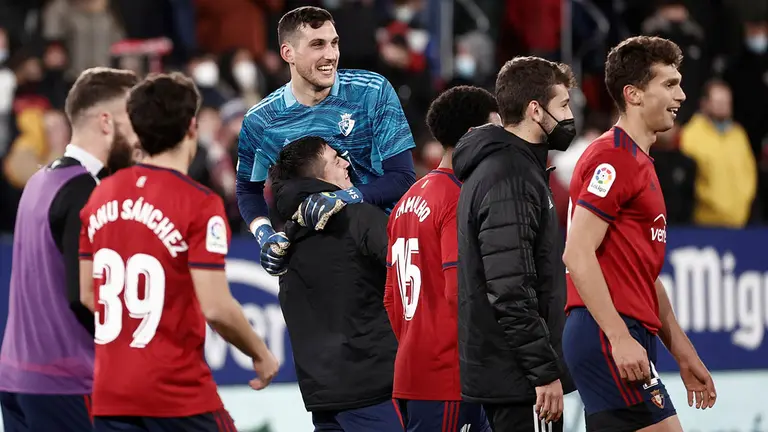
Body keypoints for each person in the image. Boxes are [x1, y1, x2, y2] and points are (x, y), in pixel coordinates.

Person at [78, 72, 279, 431]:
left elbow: (88, 295)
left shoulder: (100, 195)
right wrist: (260, 353)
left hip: (110, 395)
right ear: (192, 127)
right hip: (176, 395)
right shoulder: (199, 203)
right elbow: (216, 307)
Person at [562, 35, 717, 432]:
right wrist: (618, 337)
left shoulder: (639, 161)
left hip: (622, 329)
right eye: (669, 84)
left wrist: (682, 350)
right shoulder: (612, 158)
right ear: (632, 94)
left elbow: (644, 278)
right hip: (606, 330)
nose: (681, 94)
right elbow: (577, 253)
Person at [0, 67, 139, 432]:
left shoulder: (39, 181)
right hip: (68, 383)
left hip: (17, 379)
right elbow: (85, 296)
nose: (140, 134)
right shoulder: (86, 192)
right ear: (107, 121)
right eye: (134, 120)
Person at [236, 6, 416, 276]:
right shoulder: (261, 121)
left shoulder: (372, 91)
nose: (330, 55)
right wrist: (264, 234)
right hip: (314, 264)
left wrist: (344, 197)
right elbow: (248, 191)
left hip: (383, 253)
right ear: (288, 53)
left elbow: (403, 177)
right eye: (317, 45)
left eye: (334, 43)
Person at [452, 56, 578, 432]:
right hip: (519, 380)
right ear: (535, 110)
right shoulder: (511, 176)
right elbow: (510, 287)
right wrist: (542, 373)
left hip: (510, 373)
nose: (571, 116)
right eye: (564, 105)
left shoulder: (511, 167)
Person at [384, 85, 500, 432]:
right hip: (449, 376)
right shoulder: (456, 198)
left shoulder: (407, 199)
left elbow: (391, 300)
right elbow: (458, 295)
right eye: (495, 131)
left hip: (411, 372)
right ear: (472, 135)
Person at [268, 136, 400, 431]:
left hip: (322, 396)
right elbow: (409, 275)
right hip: (375, 388)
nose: (345, 162)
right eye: (334, 158)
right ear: (317, 174)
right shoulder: (359, 218)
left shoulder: (286, 240)